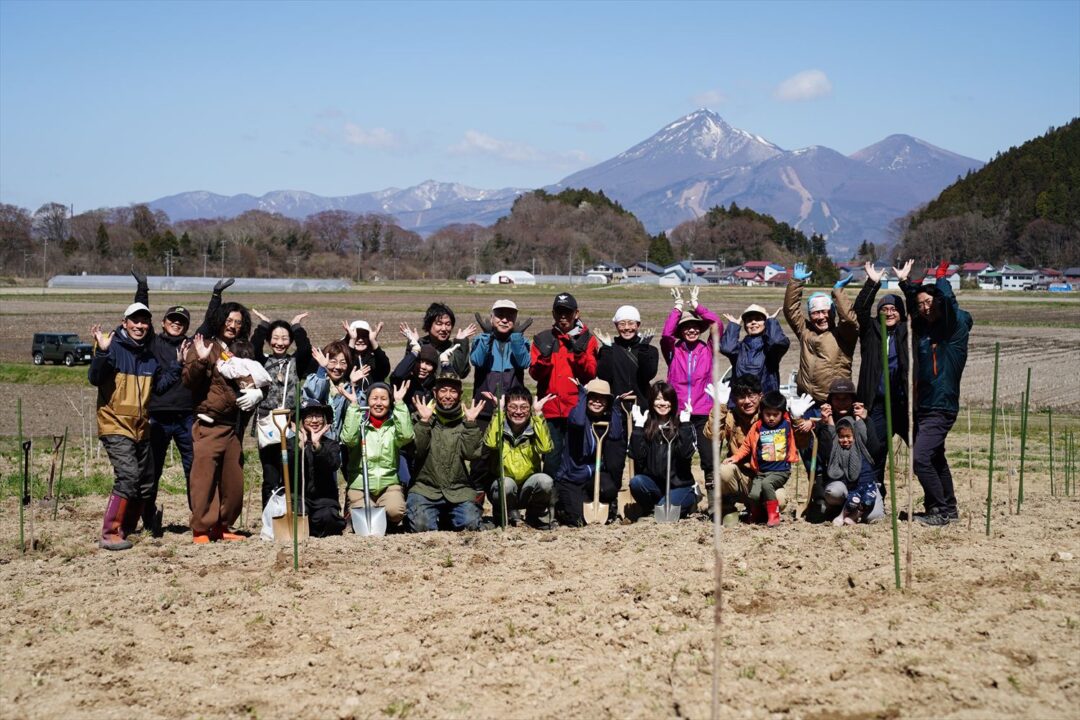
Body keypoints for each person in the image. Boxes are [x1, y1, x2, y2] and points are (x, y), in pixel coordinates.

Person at [131, 272, 229, 533]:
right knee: (151, 470)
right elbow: (141, 316)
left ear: (186, 326)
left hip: (187, 417)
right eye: (172, 320)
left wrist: (216, 294)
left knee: (193, 469)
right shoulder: (152, 342)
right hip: (157, 416)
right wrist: (143, 288)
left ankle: (199, 519)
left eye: (181, 321)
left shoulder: (192, 343)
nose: (177, 323)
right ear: (163, 323)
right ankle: (148, 518)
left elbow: (210, 323)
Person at [89, 302, 181, 550]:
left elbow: (158, 388)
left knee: (145, 481)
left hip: (141, 427)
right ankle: (109, 533)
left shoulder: (149, 357)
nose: (139, 326)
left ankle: (126, 529)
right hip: (115, 424)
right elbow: (94, 378)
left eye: (144, 321)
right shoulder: (112, 347)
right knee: (128, 476)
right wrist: (102, 353)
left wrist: (178, 365)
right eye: (135, 321)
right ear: (125, 323)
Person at [898, 259, 973, 526]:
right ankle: (948, 509)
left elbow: (948, 303)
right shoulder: (926, 332)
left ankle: (939, 510)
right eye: (921, 304)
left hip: (941, 406)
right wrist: (910, 285)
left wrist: (942, 278)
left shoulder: (952, 331)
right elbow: (913, 311)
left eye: (929, 302)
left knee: (920, 459)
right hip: (925, 405)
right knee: (936, 458)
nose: (925, 307)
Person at [183, 302, 263, 544]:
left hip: (233, 426)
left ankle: (222, 525)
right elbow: (189, 381)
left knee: (233, 481)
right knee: (204, 479)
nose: (233, 326)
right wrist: (201, 360)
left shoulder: (241, 349)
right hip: (209, 423)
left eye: (238, 322)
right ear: (219, 321)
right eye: (229, 321)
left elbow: (255, 375)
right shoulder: (204, 346)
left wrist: (258, 393)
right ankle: (201, 528)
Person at [250, 309, 316, 508]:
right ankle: (270, 516)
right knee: (270, 475)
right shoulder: (261, 362)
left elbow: (305, 348)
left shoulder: (296, 362)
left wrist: (296, 326)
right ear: (269, 341)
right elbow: (253, 347)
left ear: (290, 341)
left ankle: (293, 512)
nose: (280, 342)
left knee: (293, 473)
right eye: (275, 338)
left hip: (291, 423)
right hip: (268, 424)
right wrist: (264, 325)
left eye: (285, 338)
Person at [854, 262, 911, 487]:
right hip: (876, 405)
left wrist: (904, 282)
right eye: (884, 309)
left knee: (921, 450)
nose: (889, 312)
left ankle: (936, 500)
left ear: (901, 313)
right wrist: (872, 283)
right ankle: (875, 495)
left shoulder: (908, 331)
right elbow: (860, 309)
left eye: (894, 309)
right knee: (874, 452)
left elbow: (917, 309)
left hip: (903, 404)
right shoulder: (871, 331)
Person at [530, 292, 599, 477]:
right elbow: (535, 375)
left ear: (576, 313)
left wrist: (579, 354)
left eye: (567, 312)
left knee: (577, 456)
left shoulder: (587, 339)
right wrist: (544, 359)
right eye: (559, 312)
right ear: (553, 313)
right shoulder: (542, 339)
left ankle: (574, 492)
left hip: (576, 409)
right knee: (551, 459)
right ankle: (551, 493)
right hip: (550, 410)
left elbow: (590, 374)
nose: (563, 316)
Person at [406, 372, 485, 532]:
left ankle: (447, 517)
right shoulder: (420, 417)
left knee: (470, 525)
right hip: (425, 489)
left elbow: (471, 454)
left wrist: (471, 424)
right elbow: (417, 451)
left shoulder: (466, 421)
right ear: (435, 393)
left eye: (453, 391)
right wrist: (424, 422)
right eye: (443, 390)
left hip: (459, 490)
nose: (448, 396)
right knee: (421, 526)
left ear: (460, 394)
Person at [661, 285, 722, 493]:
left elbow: (717, 324)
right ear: (680, 330)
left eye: (696, 326)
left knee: (709, 457)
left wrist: (697, 306)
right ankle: (685, 496)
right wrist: (677, 308)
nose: (692, 330)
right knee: (680, 456)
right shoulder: (673, 350)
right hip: (679, 412)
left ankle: (713, 499)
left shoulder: (708, 349)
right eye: (686, 327)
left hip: (703, 411)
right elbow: (666, 335)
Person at [340, 381, 414, 530]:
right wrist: (353, 406)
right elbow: (348, 439)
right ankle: (354, 512)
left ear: (389, 402)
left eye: (384, 399)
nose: (379, 403)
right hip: (360, 486)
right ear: (367, 401)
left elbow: (406, 436)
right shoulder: (360, 425)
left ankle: (385, 520)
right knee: (364, 514)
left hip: (388, 484)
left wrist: (400, 404)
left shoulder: (393, 427)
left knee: (396, 511)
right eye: (374, 398)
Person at [783, 263, 859, 405]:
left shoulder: (844, 335)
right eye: (815, 313)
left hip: (834, 402)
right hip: (806, 401)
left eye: (825, 311)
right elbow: (790, 311)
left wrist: (838, 292)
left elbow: (849, 321)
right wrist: (796, 283)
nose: (821, 317)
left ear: (833, 313)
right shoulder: (805, 331)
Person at [553, 379, 626, 527]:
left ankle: (597, 500)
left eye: (602, 398)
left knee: (608, 489)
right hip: (571, 477)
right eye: (593, 397)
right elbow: (579, 422)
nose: (597, 402)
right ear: (587, 398)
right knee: (578, 519)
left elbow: (616, 435)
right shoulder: (576, 415)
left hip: (593, 475)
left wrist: (616, 407)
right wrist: (582, 394)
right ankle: (561, 506)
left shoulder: (605, 419)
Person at [483, 388, 557, 528]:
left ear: (530, 409)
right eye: (513, 407)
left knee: (545, 481)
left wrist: (538, 414)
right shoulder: (499, 424)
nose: (518, 412)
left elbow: (545, 448)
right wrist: (498, 411)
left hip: (527, 487)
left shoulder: (535, 425)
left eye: (524, 407)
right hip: (504, 486)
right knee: (506, 484)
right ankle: (503, 515)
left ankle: (534, 516)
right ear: (506, 408)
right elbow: (491, 443)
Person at [724, 391, 797, 526]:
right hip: (761, 472)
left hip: (780, 471)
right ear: (761, 412)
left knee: (767, 484)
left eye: (775, 414)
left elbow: (799, 428)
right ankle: (756, 515)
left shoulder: (787, 424)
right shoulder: (757, 427)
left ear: (782, 413)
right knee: (754, 495)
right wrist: (736, 457)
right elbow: (746, 446)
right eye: (768, 414)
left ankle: (774, 516)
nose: (771, 418)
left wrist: (799, 416)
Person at [628, 382, 699, 519]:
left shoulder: (681, 424)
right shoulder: (647, 425)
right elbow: (637, 455)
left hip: (679, 485)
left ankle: (687, 500)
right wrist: (638, 427)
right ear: (652, 401)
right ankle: (654, 508)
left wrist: (685, 425)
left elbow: (685, 454)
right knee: (636, 482)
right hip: (655, 485)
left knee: (664, 515)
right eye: (658, 399)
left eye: (666, 399)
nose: (662, 403)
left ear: (672, 402)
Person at [820, 416, 884, 525]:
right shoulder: (835, 447)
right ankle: (840, 513)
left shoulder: (860, 444)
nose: (845, 440)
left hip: (866, 486)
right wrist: (829, 416)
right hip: (847, 488)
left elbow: (861, 428)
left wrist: (859, 416)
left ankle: (854, 515)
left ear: (854, 436)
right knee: (836, 493)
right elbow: (831, 430)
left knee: (873, 515)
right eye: (841, 437)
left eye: (848, 436)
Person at [719, 304, 790, 402]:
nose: (753, 322)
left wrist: (771, 322)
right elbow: (727, 348)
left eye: (758, 319)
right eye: (749, 320)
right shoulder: (739, 348)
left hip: (765, 404)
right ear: (745, 325)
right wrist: (734, 326)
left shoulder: (771, 349)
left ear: (765, 323)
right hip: (741, 402)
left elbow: (777, 342)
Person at [296, 400, 346, 537]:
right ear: (302, 420)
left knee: (329, 519)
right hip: (300, 497)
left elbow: (333, 465)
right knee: (298, 515)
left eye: (318, 416)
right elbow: (287, 468)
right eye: (309, 416)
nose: (314, 420)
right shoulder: (292, 443)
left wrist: (317, 446)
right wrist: (300, 445)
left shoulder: (331, 444)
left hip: (324, 499)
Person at [595, 304, 659, 409]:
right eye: (622, 324)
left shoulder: (650, 350)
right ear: (616, 326)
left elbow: (648, 375)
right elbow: (604, 377)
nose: (626, 328)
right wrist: (606, 349)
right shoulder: (608, 350)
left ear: (638, 325)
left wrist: (643, 350)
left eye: (631, 323)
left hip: (641, 407)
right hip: (615, 408)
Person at [402, 302, 476, 379]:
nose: (444, 329)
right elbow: (406, 370)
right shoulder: (420, 344)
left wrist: (461, 342)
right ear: (429, 325)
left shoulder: (453, 348)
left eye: (448, 324)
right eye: (439, 324)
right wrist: (412, 343)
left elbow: (461, 373)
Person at [343, 319, 390, 395]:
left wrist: (373, 340)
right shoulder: (345, 356)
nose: (360, 340)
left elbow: (385, 369)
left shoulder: (375, 357)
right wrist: (352, 340)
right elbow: (344, 366)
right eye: (357, 337)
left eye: (364, 336)